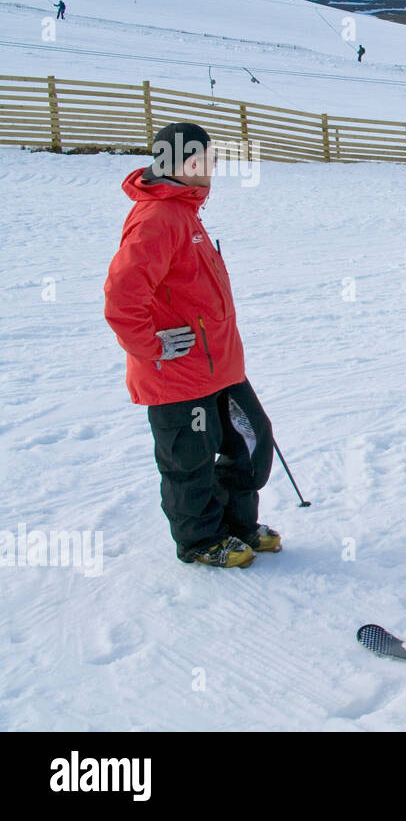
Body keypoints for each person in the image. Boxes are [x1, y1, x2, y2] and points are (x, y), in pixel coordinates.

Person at [103, 122, 280, 569]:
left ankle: (236, 525)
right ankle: (201, 540)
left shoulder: (183, 212)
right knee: (190, 463)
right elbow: (122, 299)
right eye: (208, 157)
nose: (215, 165)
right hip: (179, 375)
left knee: (251, 441)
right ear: (184, 163)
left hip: (218, 367)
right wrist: (152, 347)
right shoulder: (157, 218)